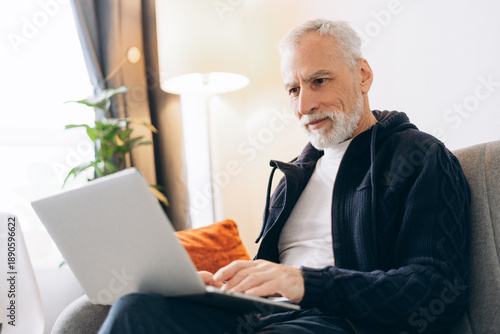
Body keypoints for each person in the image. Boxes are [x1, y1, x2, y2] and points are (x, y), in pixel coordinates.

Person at [98, 18, 470, 334]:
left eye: (319, 81)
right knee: (136, 308)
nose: (304, 105)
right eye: (293, 89)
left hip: (344, 321)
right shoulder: (294, 175)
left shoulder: (419, 156)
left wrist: (306, 283)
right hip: (266, 316)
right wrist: (220, 290)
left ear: (363, 75)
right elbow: (272, 278)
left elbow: (438, 289)